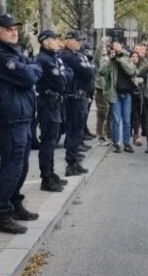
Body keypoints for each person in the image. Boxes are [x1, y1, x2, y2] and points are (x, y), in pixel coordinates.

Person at [0, 14, 42, 234]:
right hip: (11, 117)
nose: (14, 32)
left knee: (22, 165)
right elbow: (29, 77)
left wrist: (30, 69)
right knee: (12, 166)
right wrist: (30, 70)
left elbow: (33, 70)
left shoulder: (13, 52)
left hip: (22, 115)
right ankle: (3, 213)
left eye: (16, 29)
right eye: (9, 29)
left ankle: (15, 203)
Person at [35, 29, 72, 191]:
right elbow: (61, 82)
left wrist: (64, 75)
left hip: (55, 103)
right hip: (47, 104)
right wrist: (64, 75)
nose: (58, 42)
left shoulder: (53, 58)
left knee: (52, 140)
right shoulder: (44, 59)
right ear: (45, 42)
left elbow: (67, 74)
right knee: (48, 142)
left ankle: (51, 173)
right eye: (54, 39)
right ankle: (46, 177)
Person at [59, 31, 96, 175]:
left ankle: (73, 160)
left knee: (77, 130)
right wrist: (88, 68)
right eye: (77, 40)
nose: (79, 43)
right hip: (74, 98)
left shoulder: (75, 55)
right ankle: (71, 163)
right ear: (69, 40)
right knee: (74, 130)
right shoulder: (68, 56)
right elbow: (87, 72)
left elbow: (90, 70)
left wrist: (88, 68)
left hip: (80, 97)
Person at [101, 41, 138, 153]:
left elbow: (131, 71)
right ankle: (116, 143)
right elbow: (101, 72)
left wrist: (120, 58)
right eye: (115, 47)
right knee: (116, 121)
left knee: (127, 121)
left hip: (127, 93)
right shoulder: (110, 60)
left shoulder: (126, 58)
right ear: (111, 49)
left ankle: (126, 144)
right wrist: (111, 60)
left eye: (119, 47)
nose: (118, 49)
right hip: (115, 94)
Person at [93, 39, 112, 145]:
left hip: (111, 89)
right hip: (101, 88)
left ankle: (108, 134)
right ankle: (100, 135)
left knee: (109, 113)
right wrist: (100, 46)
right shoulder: (101, 58)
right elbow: (96, 59)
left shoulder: (112, 58)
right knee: (102, 113)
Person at [129, 50, 145, 146]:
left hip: (138, 95)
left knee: (137, 116)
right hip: (129, 94)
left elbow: (143, 78)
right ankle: (129, 135)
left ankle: (136, 136)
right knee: (129, 116)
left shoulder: (140, 67)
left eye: (136, 57)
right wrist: (135, 80)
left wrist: (140, 80)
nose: (135, 58)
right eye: (133, 57)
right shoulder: (127, 67)